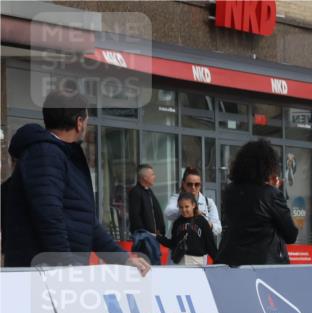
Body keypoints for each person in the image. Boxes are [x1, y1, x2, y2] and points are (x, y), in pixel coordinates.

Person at [2, 89, 149, 274]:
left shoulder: (65, 156)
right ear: (79, 122)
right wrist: (67, 266)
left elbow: (87, 223)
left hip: (60, 272)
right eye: (86, 118)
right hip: (44, 277)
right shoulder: (45, 154)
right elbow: (49, 215)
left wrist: (123, 258)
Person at [217, 139, 298, 266]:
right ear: (267, 166)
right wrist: (274, 191)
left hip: (231, 262)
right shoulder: (270, 194)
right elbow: (291, 235)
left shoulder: (229, 191)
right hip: (264, 266)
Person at [164, 167, 220, 242]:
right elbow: (168, 213)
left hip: (200, 249)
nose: (193, 188)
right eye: (189, 184)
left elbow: (218, 229)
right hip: (179, 249)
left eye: (197, 184)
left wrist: (206, 224)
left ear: (200, 185)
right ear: (183, 184)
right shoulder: (176, 198)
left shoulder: (208, 202)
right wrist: (189, 210)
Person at [164, 192, 218, 266]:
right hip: (180, 261)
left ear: (193, 205)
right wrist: (159, 238)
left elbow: (210, 244)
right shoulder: (177, 223)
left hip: (197, 261)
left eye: (187, 206)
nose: (184, 210)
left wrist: (218, 261)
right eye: (181, 207)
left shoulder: (202, 221)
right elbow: (173, 243)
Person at [127, 164, 166, 264]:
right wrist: (144, 233)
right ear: (144, 177)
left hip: (152, 237)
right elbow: (135, 216)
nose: (155, 177)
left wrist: (160, 229)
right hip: (144, 238)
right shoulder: (136, 192)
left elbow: (155, 212)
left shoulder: (148, 191)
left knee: (155, 264)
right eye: (152, 174)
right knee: (149, 264)